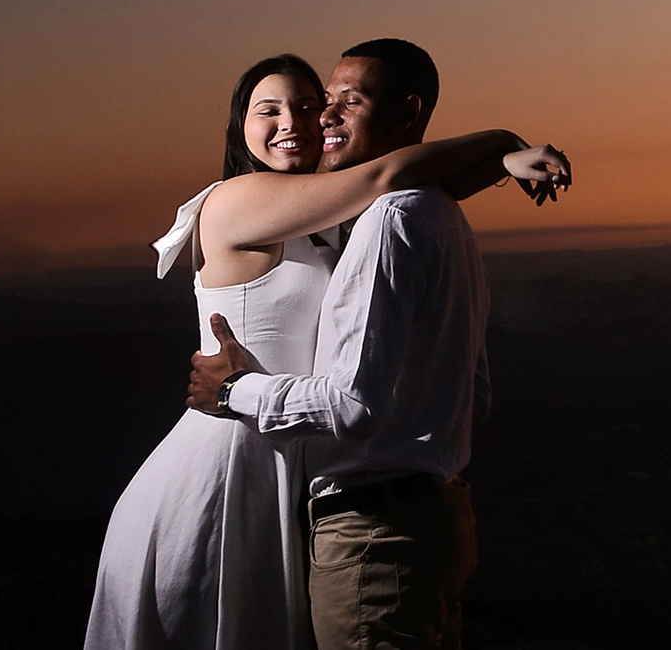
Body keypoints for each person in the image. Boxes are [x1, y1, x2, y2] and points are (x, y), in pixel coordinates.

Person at [87, 52, 570, 650]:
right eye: (269, 110)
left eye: (307, 107)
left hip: (297, 465)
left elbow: (410, 191)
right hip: (228, 465)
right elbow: (383, 180)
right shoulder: (234, 199)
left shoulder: (328, 215)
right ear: (241, 127)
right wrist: (502, 141)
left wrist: (496, 165)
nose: (292, 121)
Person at [188, 39, 525, 650]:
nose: (318, 118)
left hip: (374, 522)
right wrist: (503, 152)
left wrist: (235, 388)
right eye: (273, 109)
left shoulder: (388, 219)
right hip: (427, 513)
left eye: (345, 100)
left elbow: (351, 404)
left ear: (406, 113)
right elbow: (473, 395)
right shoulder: (436, 212)